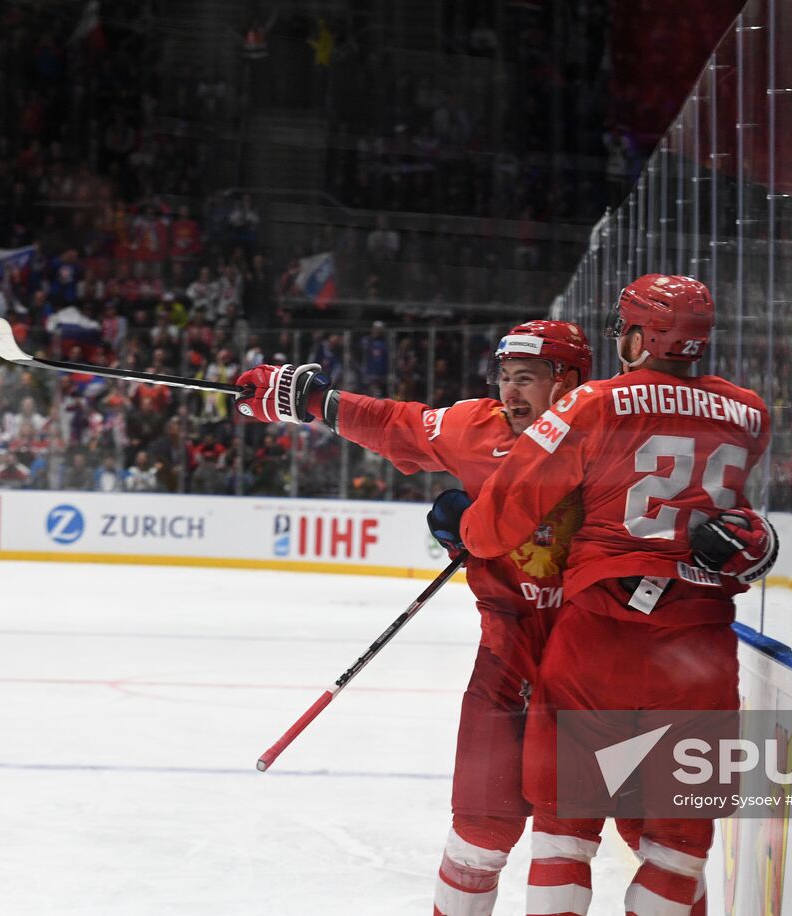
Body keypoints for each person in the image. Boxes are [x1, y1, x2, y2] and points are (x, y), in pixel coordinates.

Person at [431, 275, 776, 916]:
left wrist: (470, 529)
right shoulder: (751, 411)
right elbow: (736, 523)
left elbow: (503, 516)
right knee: (678, 848)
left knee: (564, 826)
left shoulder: (593, 402)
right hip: (699, 642)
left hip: (600, 633)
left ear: (644, 336)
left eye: (625, 328)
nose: (621, 339)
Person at [234, 320, 593, 916]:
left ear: (570, 381)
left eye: (526, 378)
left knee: (567, 838)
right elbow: (395, 422)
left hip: (588, 661)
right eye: (505, 378)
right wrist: (314, 401)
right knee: (478, 831)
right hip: (506, 654)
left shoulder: (609, 433)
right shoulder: (479, 427)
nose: (510, 392)